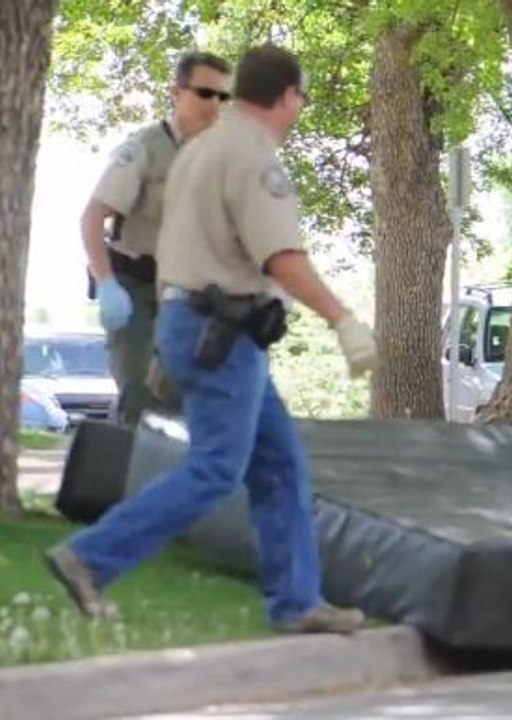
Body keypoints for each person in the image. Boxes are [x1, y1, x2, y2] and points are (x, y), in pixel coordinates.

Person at [44, 44, 379, 634]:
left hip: (193, 323)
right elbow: (280, 257)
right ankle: (90, 557)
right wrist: (342, 318)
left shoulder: (198, 152)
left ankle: (298, 603)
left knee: (279, 468)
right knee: (217, 469)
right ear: (287, 96)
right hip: (221, 331)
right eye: (300, 98)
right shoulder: (252, 157)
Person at [81, 50, 233, 426]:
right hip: (132, 287)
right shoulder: (144, 148)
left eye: (222, 96)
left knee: (185, 397)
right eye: (204, 93)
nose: (214, 104)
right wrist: (106, 284)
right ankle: (125, 479)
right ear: (177, 93)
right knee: (137, 393)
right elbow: (92, 218)